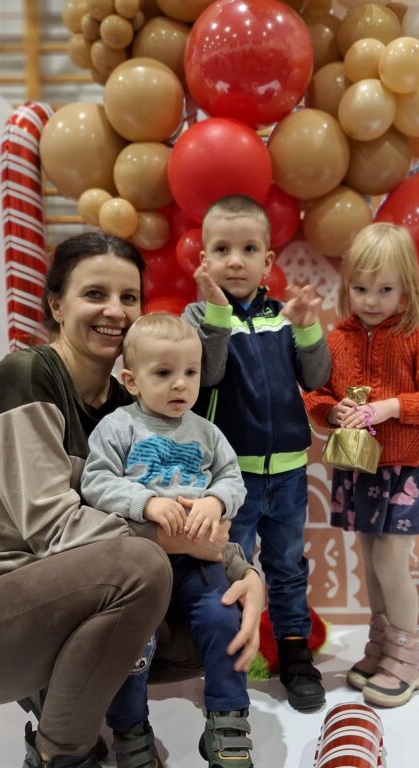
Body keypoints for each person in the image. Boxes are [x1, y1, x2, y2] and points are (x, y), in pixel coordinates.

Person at [0, 233, 263, 768]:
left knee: (213, 607)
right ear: (56, 305)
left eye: (129, 297)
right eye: (95, 294)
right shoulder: (25, 378)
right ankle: (61, 752)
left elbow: (191, 496)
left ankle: (85, 705)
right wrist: (186, 542)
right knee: (143, 564)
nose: (115, 311)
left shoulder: (130, 409)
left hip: (58, 596)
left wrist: (244, 570)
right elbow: (52, 529)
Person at [81, 313, 254, 768]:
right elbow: (94, 482)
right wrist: (146, 502)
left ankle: (227, 719)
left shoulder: (207, 432)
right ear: (131, 381)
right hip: (138, 564)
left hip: (199, 563)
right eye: (163, 373)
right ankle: (130, 729)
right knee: (132, 640)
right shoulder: (118, 426)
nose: (181, 384)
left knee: (223, 621)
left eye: (191, 372)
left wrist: (215, 501)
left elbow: (233, 479)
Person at [183, 194, 331, 712]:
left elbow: (316, 377)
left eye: (248, 249)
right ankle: (231, 665)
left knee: (288, 567)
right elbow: (208, 374)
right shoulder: (197, 316)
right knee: (231, 570)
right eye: (222, 249)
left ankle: (294, 653)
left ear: (268, 261)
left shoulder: (282, 318)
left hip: (289, 473)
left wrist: (308, 325)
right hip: (231, 480)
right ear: (204, 259)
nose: (235, 261)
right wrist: (218, 314)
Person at [304, 222, 419, 708]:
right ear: (347, 285)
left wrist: (391, 407)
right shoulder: (338, 339)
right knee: (370, 557)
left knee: (391, 557)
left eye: (385, 290)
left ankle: (409, 656)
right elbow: (316, 395)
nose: (371, 301)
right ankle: (382, 645)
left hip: (406, 467)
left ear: (407, 287)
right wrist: (333, 412)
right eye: (361, 289)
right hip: (358, 467)